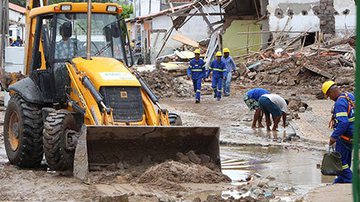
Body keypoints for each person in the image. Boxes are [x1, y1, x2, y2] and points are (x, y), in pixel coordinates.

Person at [322, 80, 354, 183]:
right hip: (353, 135)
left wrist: (333, 137)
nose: (330, 99)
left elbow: (343, 123)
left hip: (345, 136)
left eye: (328, 96)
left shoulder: (339, 103)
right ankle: (340, 179)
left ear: (331, 92)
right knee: (346, 159)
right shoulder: (349, 96)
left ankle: (350, 179)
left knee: (340, 160)